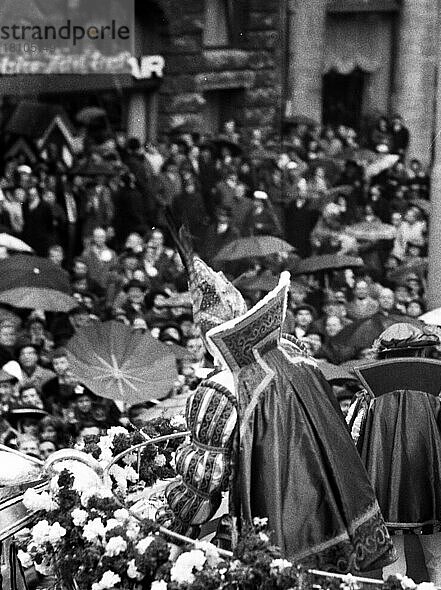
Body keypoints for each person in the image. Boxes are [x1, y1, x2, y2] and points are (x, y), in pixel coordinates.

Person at [165, 228, 395, 572]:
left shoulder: (221, 387)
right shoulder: (295, 353)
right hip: (340, 518)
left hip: (275, 534)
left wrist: (165, 524)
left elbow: (204, 486)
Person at [346, 323, 441, 585]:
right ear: (422, 353)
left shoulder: (368, 397)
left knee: (393, 556)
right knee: (436, 556)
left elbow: (350, 440)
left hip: (383, 485)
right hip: (431, 486)